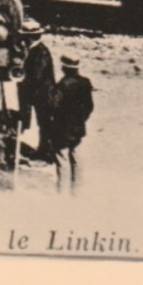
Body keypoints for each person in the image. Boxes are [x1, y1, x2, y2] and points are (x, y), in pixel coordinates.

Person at [52, 54, 95, 191]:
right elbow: (89, 106)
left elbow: (55, 106)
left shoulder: (62, 84)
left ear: (64, 67)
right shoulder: (85, 82)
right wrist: (81, 119)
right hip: (78, 126)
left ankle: (61, 191)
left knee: (61, 158)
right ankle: (76, 191)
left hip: (62, 128)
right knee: (76, 156)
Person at [17, 16, 58, 162]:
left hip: (44, 93)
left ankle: (47, 154)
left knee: (45, 124)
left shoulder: (40, 52)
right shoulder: (34, 49)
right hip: (39, 93)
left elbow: (36, 76)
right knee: (43, 123)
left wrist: (21, 81)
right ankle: (43, 151)